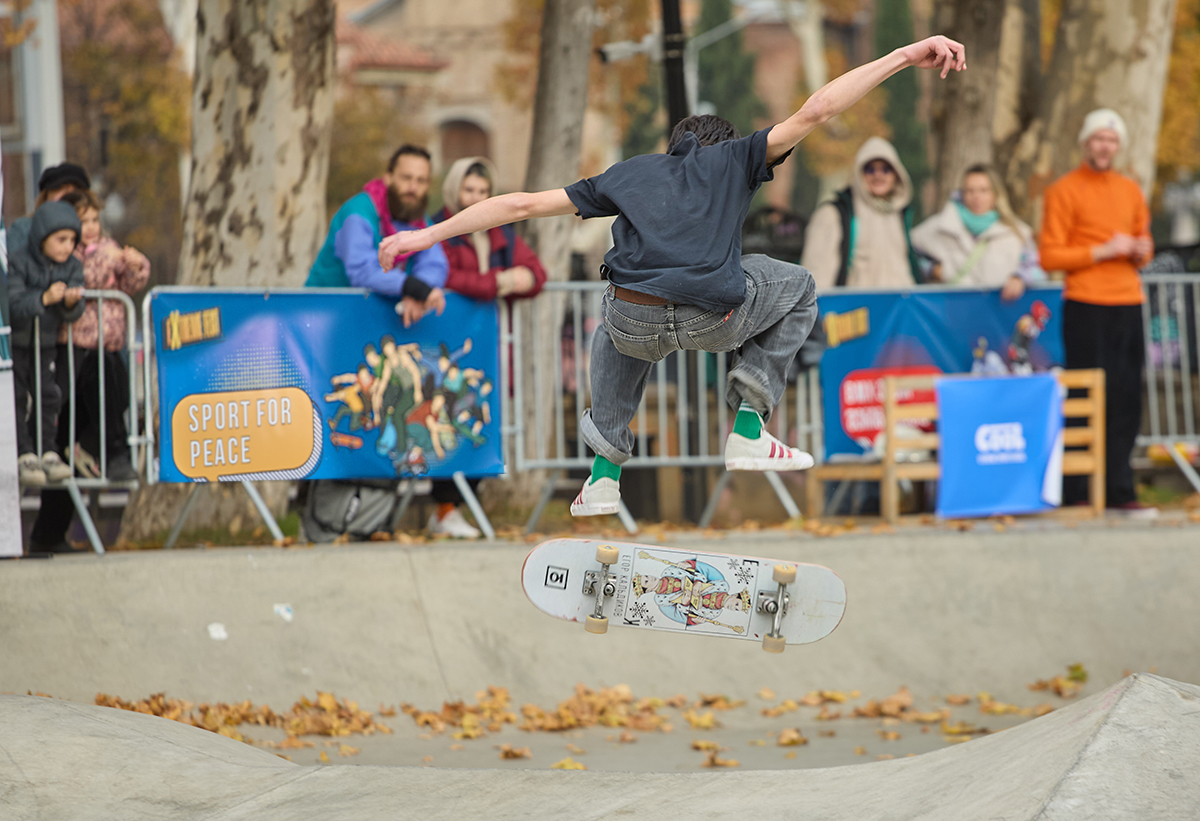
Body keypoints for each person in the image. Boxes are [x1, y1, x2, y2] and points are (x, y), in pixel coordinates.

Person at [380, 35, 967, 515]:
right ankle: (748, 423)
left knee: (612, 318)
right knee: (800, 285)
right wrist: (905, 55)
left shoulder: (628, 173)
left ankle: (604, 473)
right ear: (724, 145)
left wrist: (423, 236)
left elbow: (519, 206)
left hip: (635, 319)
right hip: (716, 314)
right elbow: (818, 110)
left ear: (674, 146)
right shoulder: (737, 158)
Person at [1039, 109, 1156, 517]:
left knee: (1126, 397)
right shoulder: (1063, 191)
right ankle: (1079, 489)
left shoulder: (1130, 189)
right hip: (1086, 303)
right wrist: (1103, 251)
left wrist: (1141, 250)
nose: (1104, 146)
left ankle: (1120, 486)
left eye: (1111, 140)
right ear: (1086, 143)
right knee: (1085, 396)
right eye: (1098, 139)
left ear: (1117, 146)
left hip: (1128, 301)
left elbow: (1145, 243)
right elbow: (1050, 254)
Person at [425, 156, 547, 538]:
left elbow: (537, 275)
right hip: (444, 347)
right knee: (445, 424)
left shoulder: (502, 233)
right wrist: (501, 280)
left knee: (480, 424)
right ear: (453, 190)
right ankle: (444, 508)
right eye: (469, 190)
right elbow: (446, 276)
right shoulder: (437, 229)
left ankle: (454, 508)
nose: (476, 197)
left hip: (487, 351)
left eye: (482, 191)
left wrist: (496, 281)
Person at [24, 191, 149, 552]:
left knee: (114, 398)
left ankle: (100, 450)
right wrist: (111, 260)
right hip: (74, 348)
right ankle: (48, 532)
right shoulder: (69, 256)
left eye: (95, 221)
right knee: (68, 427)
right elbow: (85, 275)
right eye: (84, 222)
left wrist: (134, 267)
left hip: (108, 346)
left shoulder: (106, 249)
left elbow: (128, 286)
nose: (91, 229)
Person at [306, 144, 448, 327]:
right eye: (406, 178)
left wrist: (416, 295)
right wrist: (415, 288)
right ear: (388, 178)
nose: (413, 187)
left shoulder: (420, 220)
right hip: (324, 317)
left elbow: (436, 265)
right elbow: (362, 271)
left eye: (421, 180)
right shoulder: (359, 211)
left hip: (373, 320)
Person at [7, 201, 85, 490]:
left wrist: (70, 304)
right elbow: (13, 303)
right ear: (42, 237)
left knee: (48, 395)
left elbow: (76, 310)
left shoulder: (73, 266)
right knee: (16, 397)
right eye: (60, 240)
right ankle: (24, 452)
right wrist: (44, 299)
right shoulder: (18, 261)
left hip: (46, 343)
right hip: (18, 343)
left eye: (72, 241)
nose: (67, 247)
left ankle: (47, 451)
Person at [801, 137, 921, 290]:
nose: (878, 175)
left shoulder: (901, 215)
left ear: (897, 174)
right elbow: (817, 276)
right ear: (858, 173)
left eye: (886, 169)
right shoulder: (834, 215)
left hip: (901, 310)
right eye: (870, 169)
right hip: (856, 310)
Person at [912, 164, 1042, 300]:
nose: (976, 197)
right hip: (952, 311)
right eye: (970, 191)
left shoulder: (1017, 231)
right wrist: (931, 270)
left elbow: (1037, 268)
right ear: (962, 194)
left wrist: (1020, 278)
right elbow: (909, 252)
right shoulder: (939, 226)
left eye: (984, 190)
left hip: (1000, 313)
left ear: (995, 194)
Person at [7, 163, 91, 263]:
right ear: (45, 197)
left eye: (74, 192)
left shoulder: (92, 233)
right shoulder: (23, 231)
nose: (68, 196)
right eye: (60, 188)